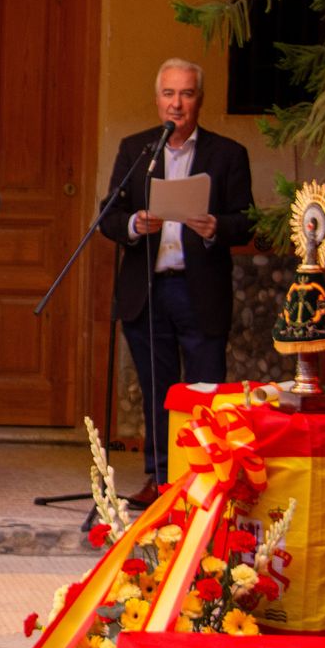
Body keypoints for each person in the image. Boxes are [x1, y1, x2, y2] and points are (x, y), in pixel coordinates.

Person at [99, 58, 253, 505]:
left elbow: (246, 221)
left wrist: (215, 228)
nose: (177, 104)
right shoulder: (137, 150)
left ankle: (205, 479)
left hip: (199, 289)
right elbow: (109, 216)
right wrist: (133, 224)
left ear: (199, 100)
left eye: (186, 94)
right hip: (147, 289)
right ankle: (161, 478)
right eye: (169, 94)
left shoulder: (227, 155)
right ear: (157, 100)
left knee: (205, 390)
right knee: (157, 391)